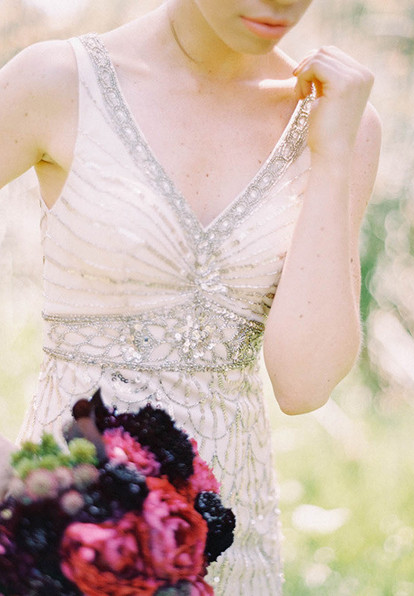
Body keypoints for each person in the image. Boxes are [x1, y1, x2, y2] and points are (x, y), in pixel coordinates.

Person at [0, 0, 381, 593]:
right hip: (63, 521)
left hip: (228, 542)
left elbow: (304, 385)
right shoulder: (56, 80)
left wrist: (332, 157)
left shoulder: (339, 120)